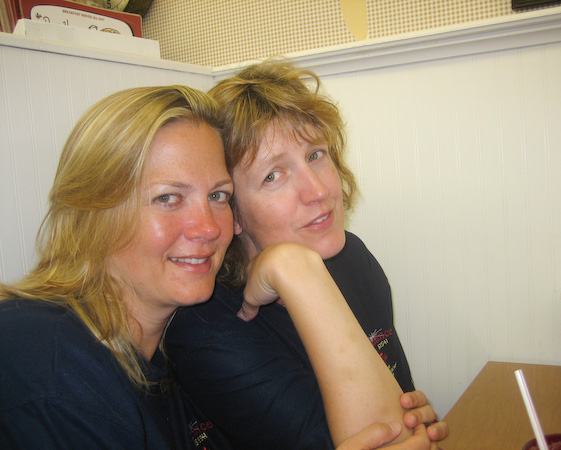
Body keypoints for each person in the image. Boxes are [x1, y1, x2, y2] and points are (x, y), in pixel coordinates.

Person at [0, 84, 431, 450]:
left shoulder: (148, 365)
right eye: (168, 198)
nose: (208, 227)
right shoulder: (49, 363)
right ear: (92, 211)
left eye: (217, 196)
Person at [165, 60, 449, 449]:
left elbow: (403, 420)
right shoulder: (205, 329)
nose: (318, 191)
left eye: (315, 155)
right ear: (233, 213)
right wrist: (295, 269)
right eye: (272, 176)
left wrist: (418, 423)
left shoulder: (352, 259)